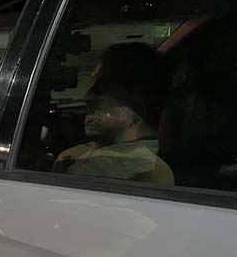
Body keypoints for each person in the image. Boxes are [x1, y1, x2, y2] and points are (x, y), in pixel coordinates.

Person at [51, 43, 173, 184]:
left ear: (140, 99)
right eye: (93, 86)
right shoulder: (74, 155)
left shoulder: (148, 172)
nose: (88, 96)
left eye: (103, 88)